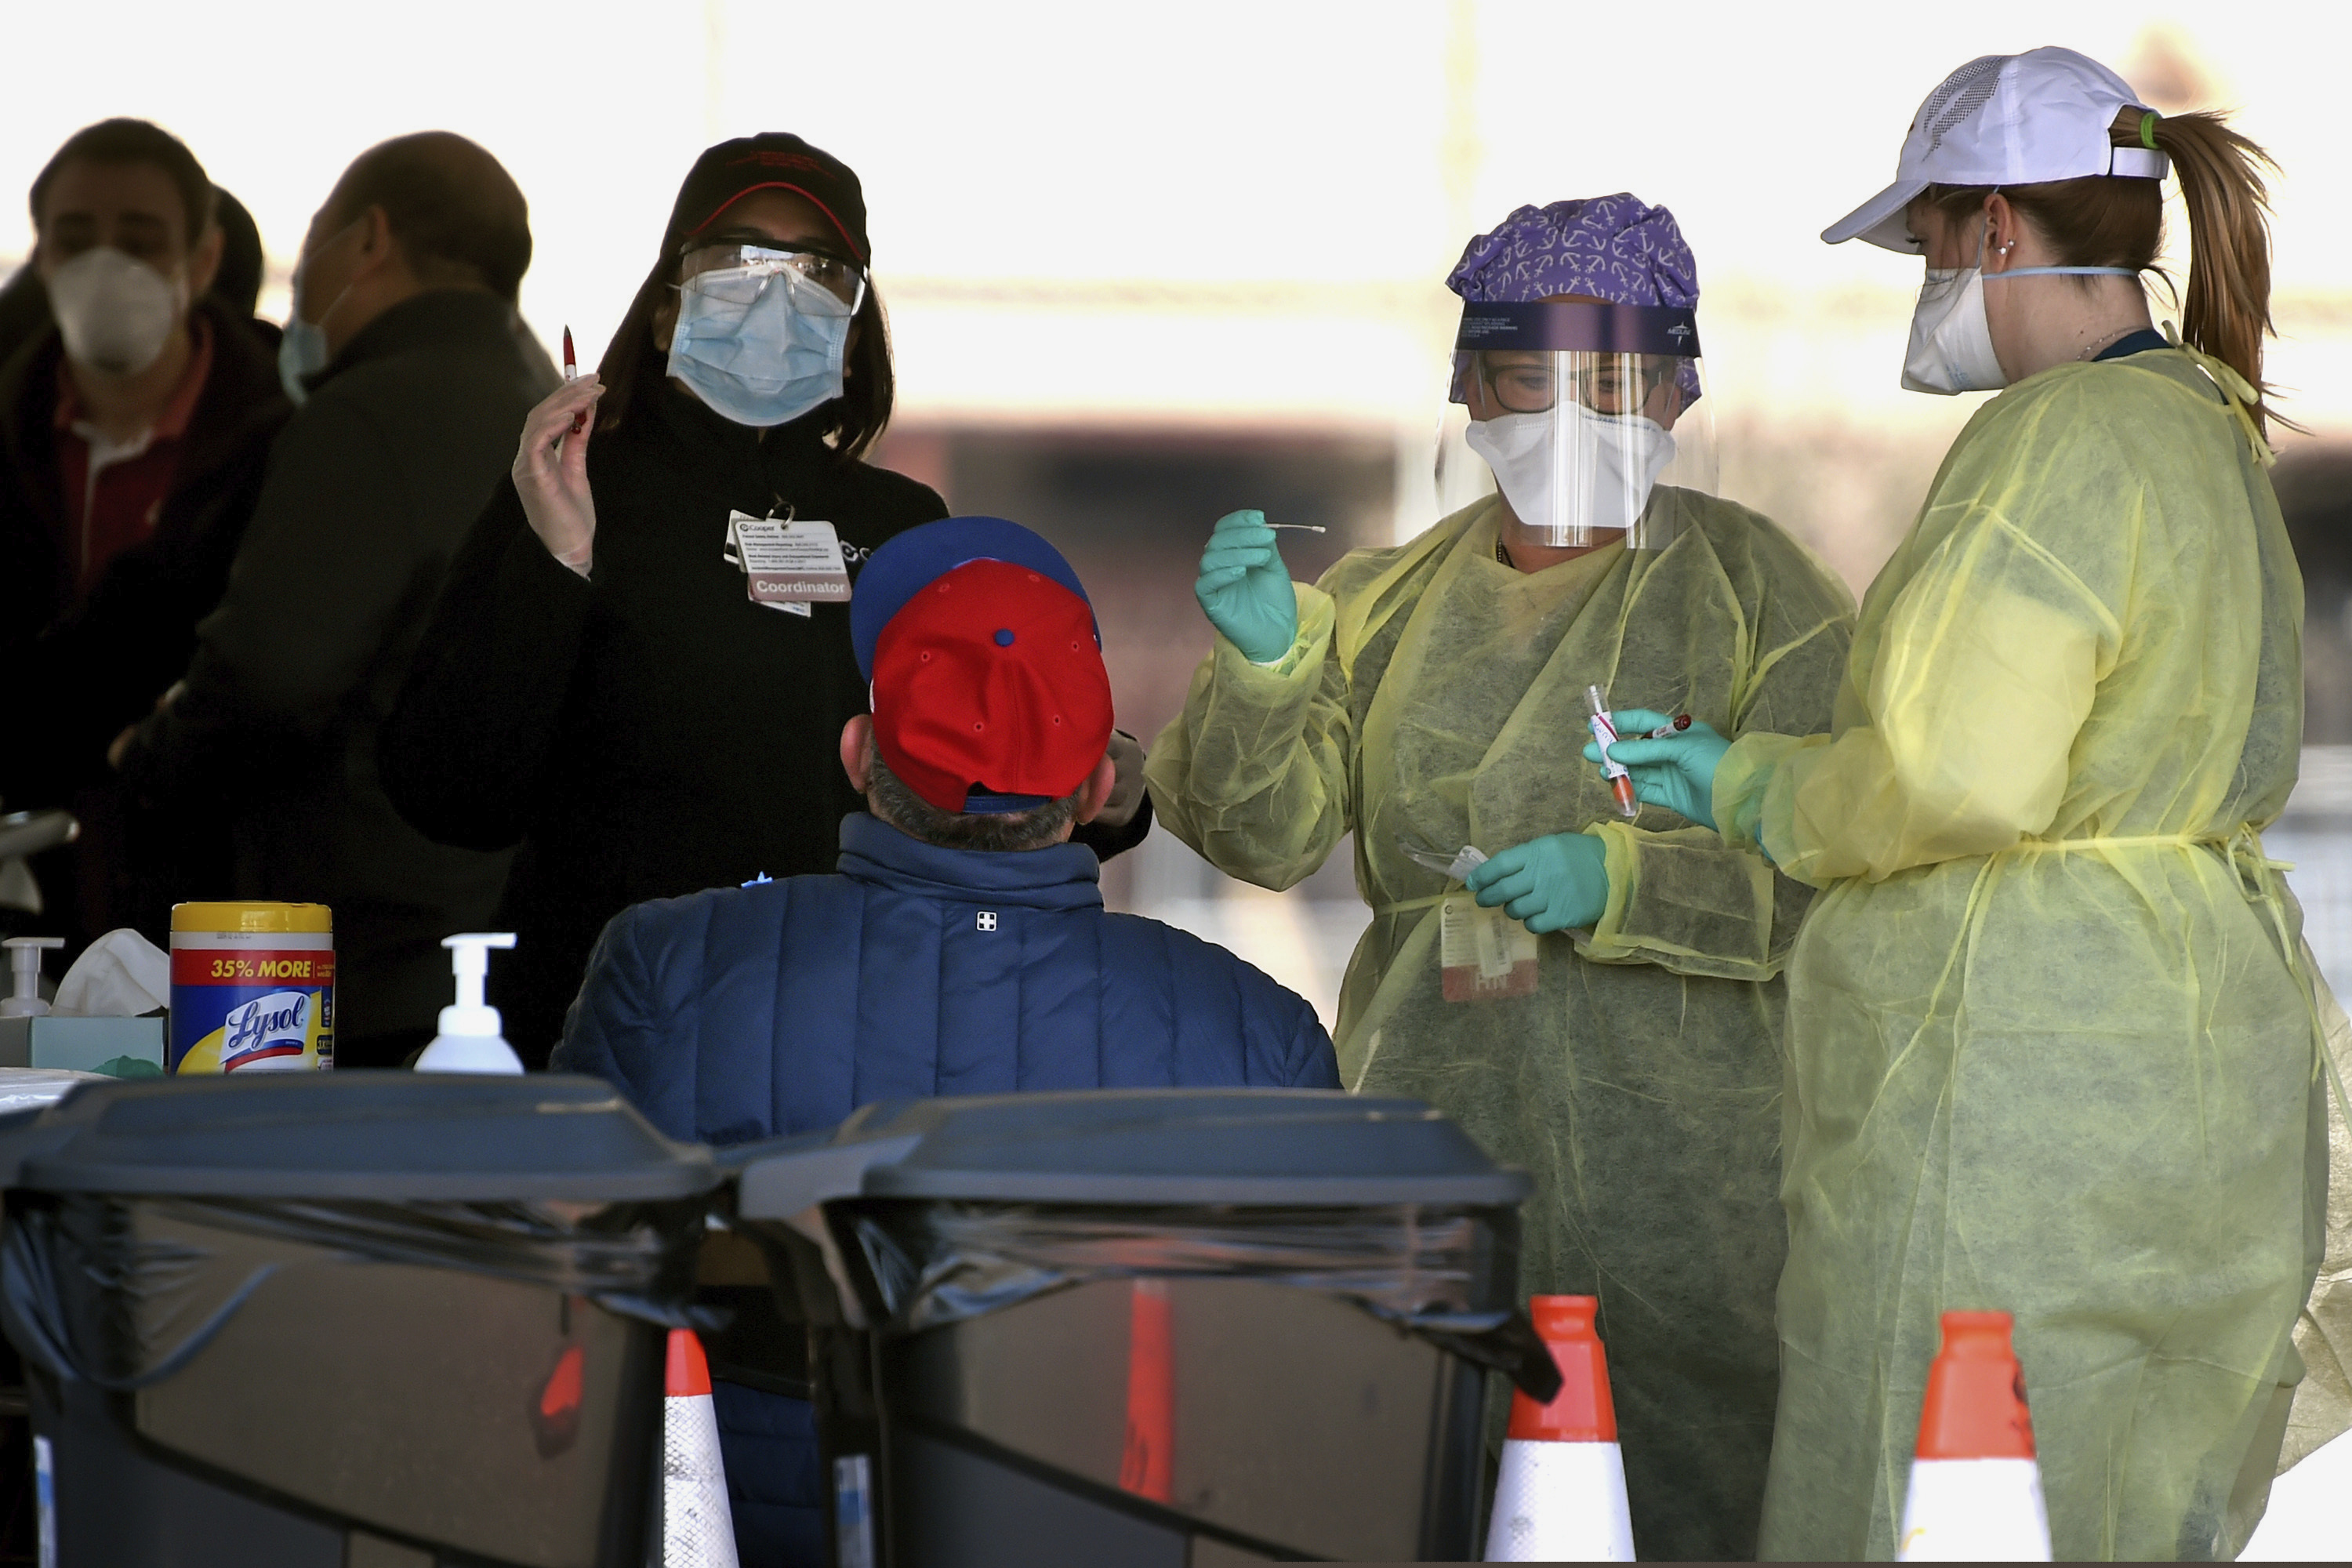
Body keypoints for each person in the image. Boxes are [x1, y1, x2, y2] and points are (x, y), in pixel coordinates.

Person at [1595, 49, 2325, 1561]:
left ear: (2000, 229)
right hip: (2197, 1082)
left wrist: (1744, 782)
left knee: (1926, 1494)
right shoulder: (2207, 428)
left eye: (1928, 245)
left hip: (2014, 1091)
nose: (1924, 282)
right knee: (2129, 1510)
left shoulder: (2056, 444)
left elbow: (1954, 775)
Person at [1143, 196, 1852, 1561]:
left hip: (1705, 1198)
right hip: (1439, 1147)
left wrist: (1629, 885)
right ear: (1469, 386)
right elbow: (1263, 836)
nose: (1574, 414)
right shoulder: (1386, 603)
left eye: (1619, 380)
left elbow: (1840, 865)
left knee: (1699, 1496)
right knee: (1432, 1482)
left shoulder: (1764, 593)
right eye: (1534, 377)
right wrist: (1264, 671)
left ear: (1681, 389)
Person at [556, 515, 1335, 1567]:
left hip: (754, 1540)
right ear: (1100, 789)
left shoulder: (665, 969)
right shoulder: (1262, 1036)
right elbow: (1305, 1400)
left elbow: (564, 1330)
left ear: (858, 755)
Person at [383, 134, 1149, 1066]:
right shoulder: (574, 485)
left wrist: (1101, 789)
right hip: (602, 1025)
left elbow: (970, 801)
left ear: (858, 319)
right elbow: (448, 793)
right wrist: (558, 558)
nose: (776, 292)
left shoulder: (904, 524)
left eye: (818, 270)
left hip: (846, 1029)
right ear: (666, 309)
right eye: (738, 257)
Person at [114, 132, 551, 1066]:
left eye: (313, 242)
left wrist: (146, 759)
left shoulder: (370, 413)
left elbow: (270, 676)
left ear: (369, 240)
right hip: (509, 950)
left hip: (352, 960)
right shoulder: (549, 410)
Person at [0, 120, 291, 947]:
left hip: (224, 904)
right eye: (77, 236)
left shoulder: (285, 441)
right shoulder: (8, 433)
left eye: (140, 238)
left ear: (202, 260)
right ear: (43, 255)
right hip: (29, 905)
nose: (106, 262)